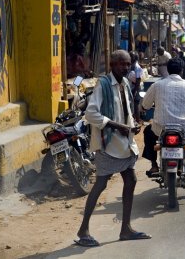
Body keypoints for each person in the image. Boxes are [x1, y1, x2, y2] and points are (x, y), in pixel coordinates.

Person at [75, 50, 149, 247]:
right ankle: (83, 230)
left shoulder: (125, 83)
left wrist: (132, 125)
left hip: (124, 143)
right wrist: (118, 126)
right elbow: (91, 114)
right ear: (112, 65)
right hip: (108, 144)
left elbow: (124, 110)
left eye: (127, 64)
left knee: (131, 179)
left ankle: (125, 229)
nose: (125, 68)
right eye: (121, 64)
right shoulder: (103, 84)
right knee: (100, 184)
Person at [140, 58, 185, 174]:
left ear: (168, 70)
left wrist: (144, 108)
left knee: (148, 133)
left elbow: (145, 104)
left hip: (160, 128)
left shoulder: (157, 85)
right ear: (181, 71)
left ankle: (154, 165)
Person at [127, 51, 143, 119]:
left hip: (135, 88)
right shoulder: (131, 65)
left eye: (131, 56)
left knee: (136, 105)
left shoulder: (137, 67)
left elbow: (138, 80)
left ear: (135, 58)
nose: (130, 57)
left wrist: (135, 91)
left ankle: (137, 120)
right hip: (131, 87)